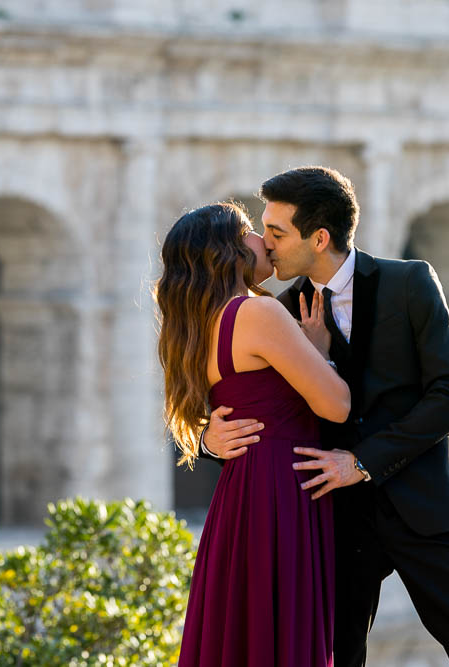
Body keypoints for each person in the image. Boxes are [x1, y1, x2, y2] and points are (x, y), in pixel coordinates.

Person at [201, 166, 449, 666]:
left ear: (320, 237)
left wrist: (361, 461)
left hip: (423, 506)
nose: (265, 244)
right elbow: (255, 412)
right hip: (332, 520)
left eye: (277, 232)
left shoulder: (410, 282)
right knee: (335, 658)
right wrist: (210, 438)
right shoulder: (277, 313)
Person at [155, 202, 350, 666]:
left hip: (240, 491)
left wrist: (205, 440)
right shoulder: (257, 314)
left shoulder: (196, 327)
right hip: (285, 487)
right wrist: (318, 351)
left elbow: (220, 411)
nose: (265, 241)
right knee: (282, 631)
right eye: (250, 232)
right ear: (228, 250)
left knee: (243, 629)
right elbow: (336, 406)